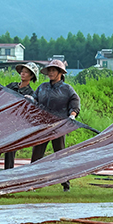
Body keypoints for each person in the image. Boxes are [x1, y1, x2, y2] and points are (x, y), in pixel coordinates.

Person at [30, 59, 80, 191]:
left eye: (53, 70)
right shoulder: (42, 87)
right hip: (42, 125)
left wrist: (72, 115)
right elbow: (35, 99)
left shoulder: (67, 89)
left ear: (60, 73)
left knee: (60, 155)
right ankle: (31, 183)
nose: (51, 73)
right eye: (49, 70)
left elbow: (74, 102)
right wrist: (31, 99)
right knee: (36, 155)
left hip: (59, 126)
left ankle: (65, 184)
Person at [0, 62, 41, 174]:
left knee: (10, 154)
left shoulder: (31, 93)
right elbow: (0, 94)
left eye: (26, 72)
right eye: (22, 72)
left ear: (31, 76)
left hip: (16, 126)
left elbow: (31, 111)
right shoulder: (12, 86)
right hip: (3, 122)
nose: (23, 74)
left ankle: (7, 177)